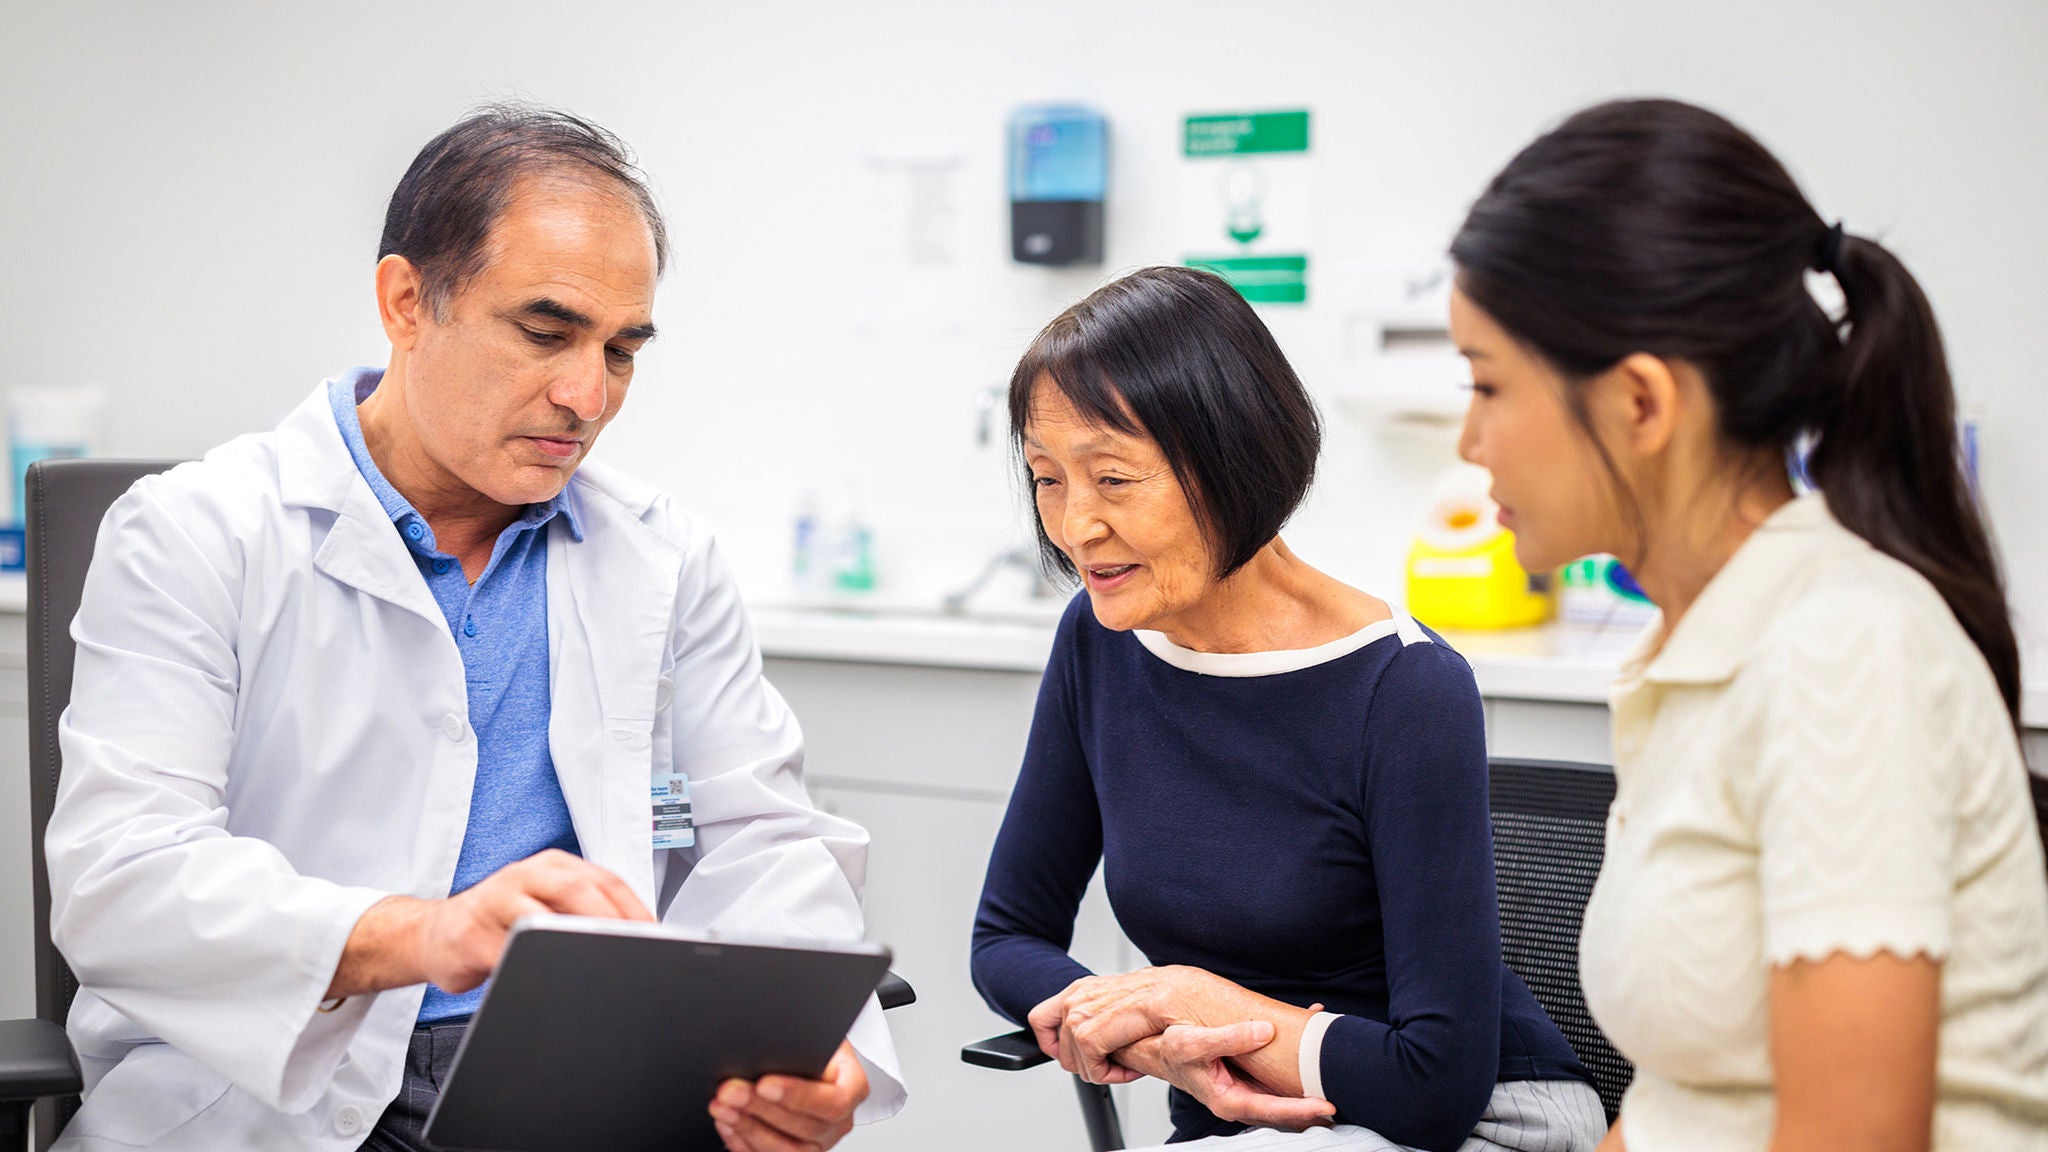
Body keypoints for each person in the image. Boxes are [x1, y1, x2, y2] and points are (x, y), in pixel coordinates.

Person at [42, 105, 902, 1152]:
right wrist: (418, 934)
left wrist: (811, 1055)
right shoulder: (197, 533)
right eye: (544, 332)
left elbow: (756, 841)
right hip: (274, 1091)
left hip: (580, 1084)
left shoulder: (661, 558)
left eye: (622, 350)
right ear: (407, 302)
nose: (586, 395)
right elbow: (122, 880)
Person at [1448, 97, 2048, 1152]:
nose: (1468, 441)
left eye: (1487, 386)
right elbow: (1684, 1101)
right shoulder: (1694, 652)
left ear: (1639, 404)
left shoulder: (1843, 651)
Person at [970, 265, 1605, 1152]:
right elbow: (1008, 936)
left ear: (1232, 460)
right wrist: (1162, 1040)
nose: (1076, 526)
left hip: (1473, 1121)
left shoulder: (1406, 688)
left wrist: (1205, 1006)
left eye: (1113, 480)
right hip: (1244, 1130)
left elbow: (1437, 1086)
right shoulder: (1100, 640)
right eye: (1047, 479)